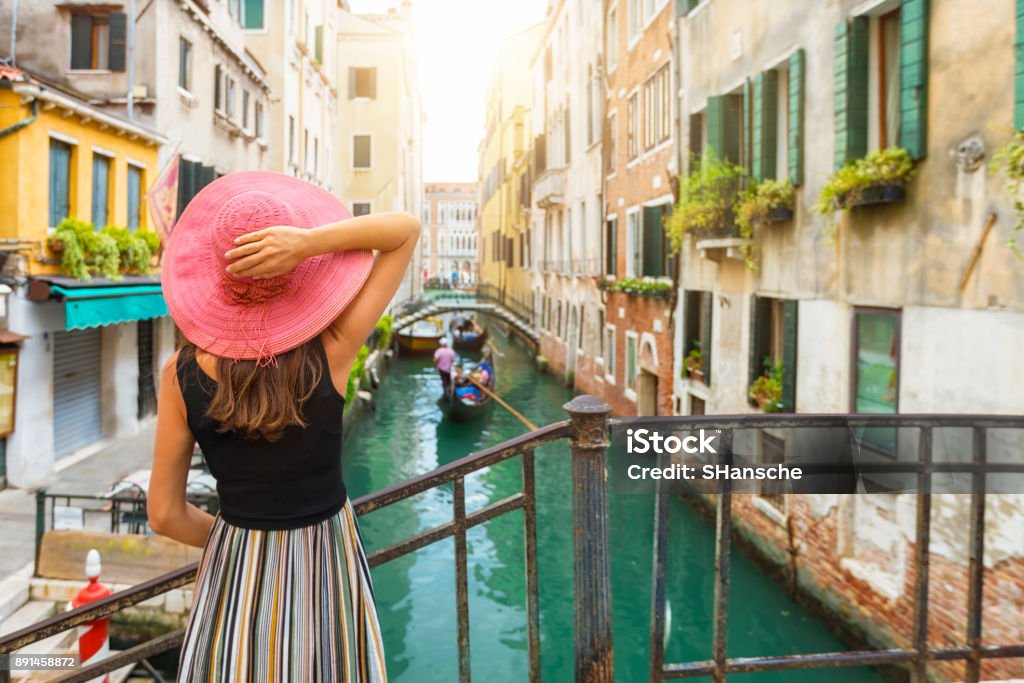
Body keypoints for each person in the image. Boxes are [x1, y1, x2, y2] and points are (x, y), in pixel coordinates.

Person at [148, 171, 418, 681]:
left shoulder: (177, 375)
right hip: (325, 559)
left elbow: (164, 514)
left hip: (237, 567)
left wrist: (242, 542)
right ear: (296, 273)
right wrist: (308, 243)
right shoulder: (334, 349)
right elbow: (403, 230)